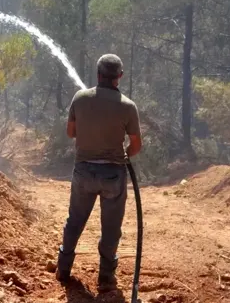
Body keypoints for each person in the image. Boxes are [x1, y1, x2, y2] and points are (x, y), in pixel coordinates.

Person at [56, 53, 142, 292]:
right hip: (113, 174)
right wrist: (124, 153)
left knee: (75, 220)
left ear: (98, 74)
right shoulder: (127, 106)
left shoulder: (80, 98)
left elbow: (71, 133)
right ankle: (105, 277)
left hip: (83, 171)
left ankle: (63, 268)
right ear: (120, 77)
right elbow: (136, 145)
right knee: (111, 227)